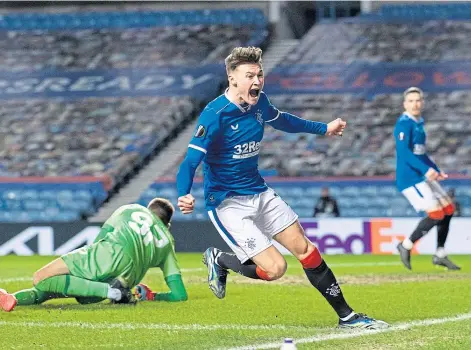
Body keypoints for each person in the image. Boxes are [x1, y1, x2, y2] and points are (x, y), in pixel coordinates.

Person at [176, 46, 388, 329]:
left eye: (260, 75)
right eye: (250, 75)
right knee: (275, 269)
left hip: (260, 192)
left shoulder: (260, 102)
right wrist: (183, 193)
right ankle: (222, 259)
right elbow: (190, 161)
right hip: (228, 203)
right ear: (232, 79)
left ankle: (347, 316)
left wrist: (323, 128)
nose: (257, 81)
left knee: (307, 250)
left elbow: (284, 120)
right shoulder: (214, 115)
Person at [0, 198, 188, 312]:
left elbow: (102, 237)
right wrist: (153, 296)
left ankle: (112, 292)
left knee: (40, 277)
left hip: (104, 257)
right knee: (46, 291)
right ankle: (11, 299)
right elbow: (180, 295)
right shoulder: (168, 242)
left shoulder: (132, 209)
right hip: (124, 279)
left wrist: (87, 264)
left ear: (148, 209)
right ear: (167, 224)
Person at [394, 87, 460, 271]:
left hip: (422, 174)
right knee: (436, 214)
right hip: (410, 178)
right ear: (405, 104)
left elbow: (421, 153)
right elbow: (404, 153)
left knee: (448, 209)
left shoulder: (418, 122)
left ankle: (440, 253)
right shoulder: (403, 124)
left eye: (418, 100)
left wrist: (436, 170)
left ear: (422, 102)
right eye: (411, 101)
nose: (415, 104)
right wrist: (425, 170)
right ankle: (405, 245)